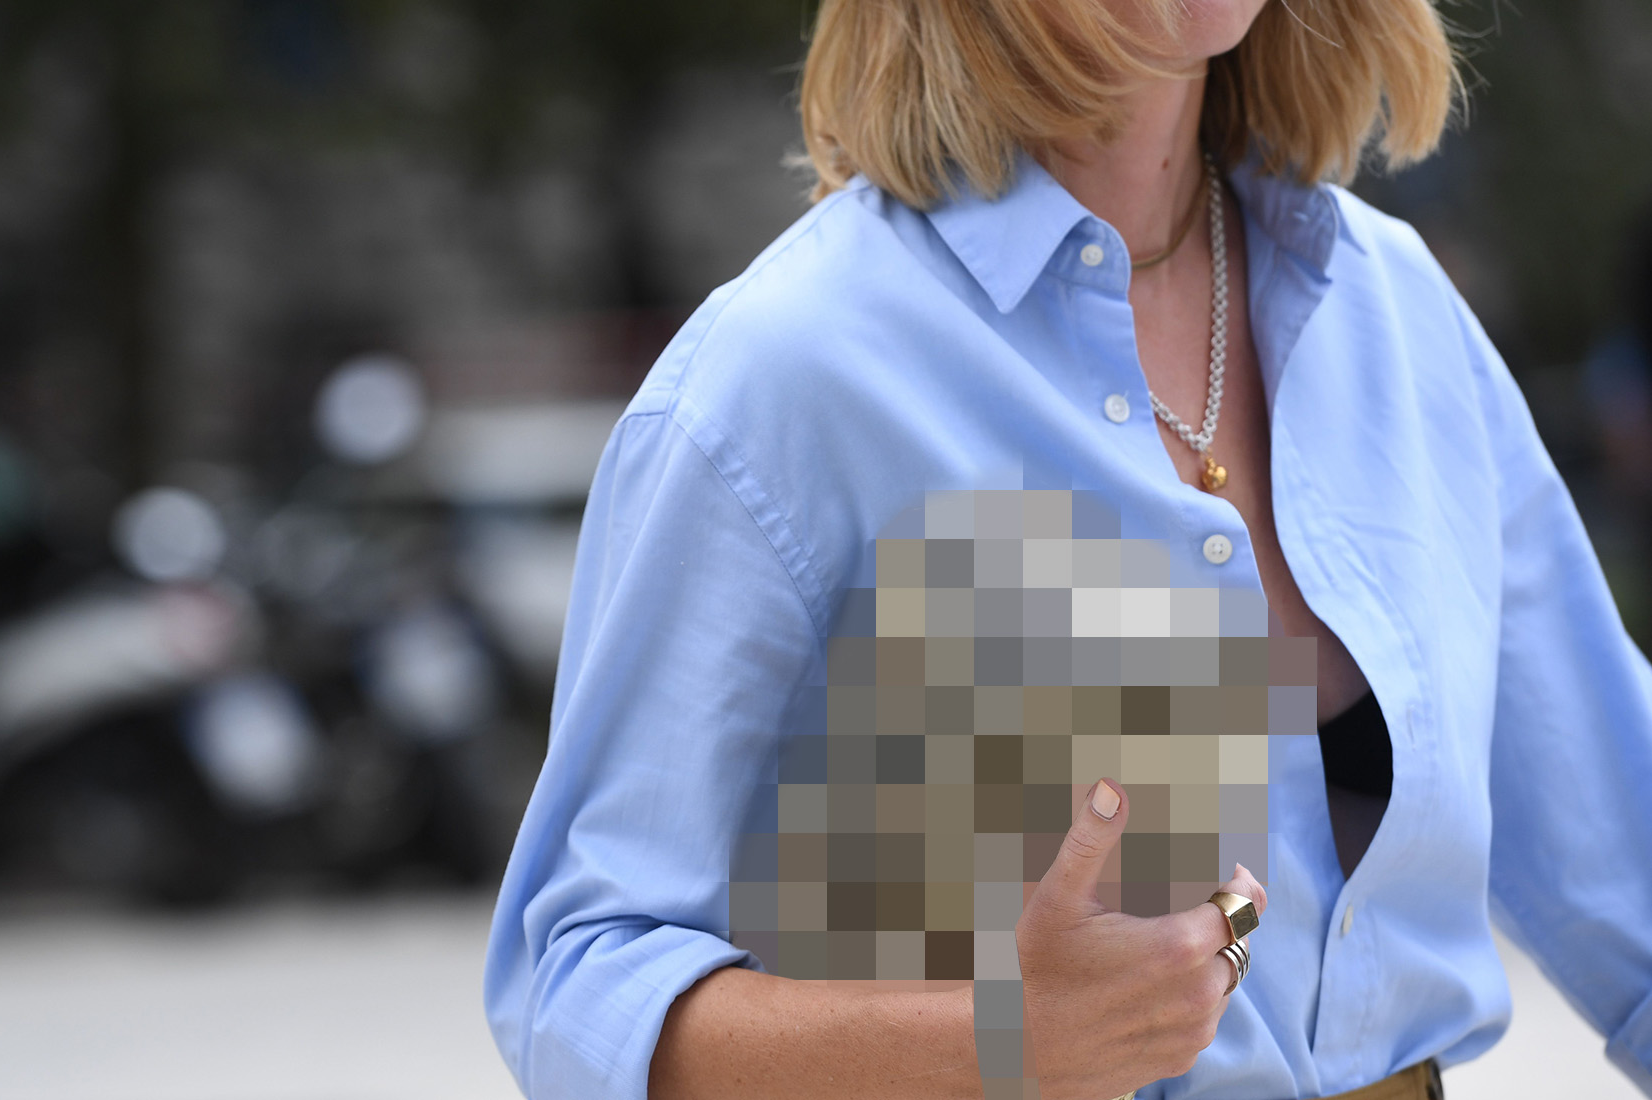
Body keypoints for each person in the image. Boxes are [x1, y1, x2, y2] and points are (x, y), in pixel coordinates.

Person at [483, 0, 1652, 1096]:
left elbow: (1626, 859)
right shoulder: (786, 375)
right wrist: (996, 1039)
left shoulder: (1393, 311)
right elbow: (573, 981)